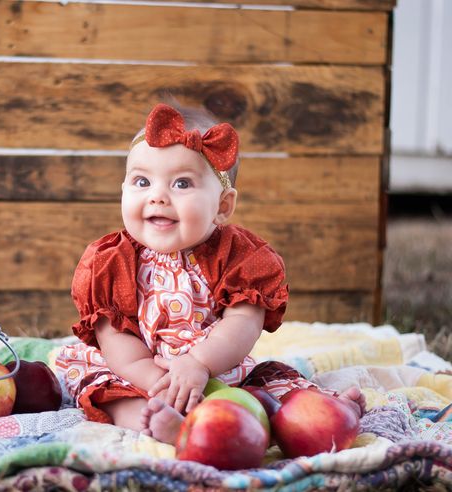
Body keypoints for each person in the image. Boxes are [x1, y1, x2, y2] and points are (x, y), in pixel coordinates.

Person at [54, 101, 365, 444]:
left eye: (182, 184)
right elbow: (114, 338)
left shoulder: (236, 256)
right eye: (142, 181)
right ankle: (160, 422)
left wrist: (199, 364)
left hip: (221, 368)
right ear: (123, 190)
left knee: (273, 390)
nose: (158, 196)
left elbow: (243, 321)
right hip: (142, 373)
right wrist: (159, 382)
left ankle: (325, 414)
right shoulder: (112, 261)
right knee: (105, 388)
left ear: (223, 206)